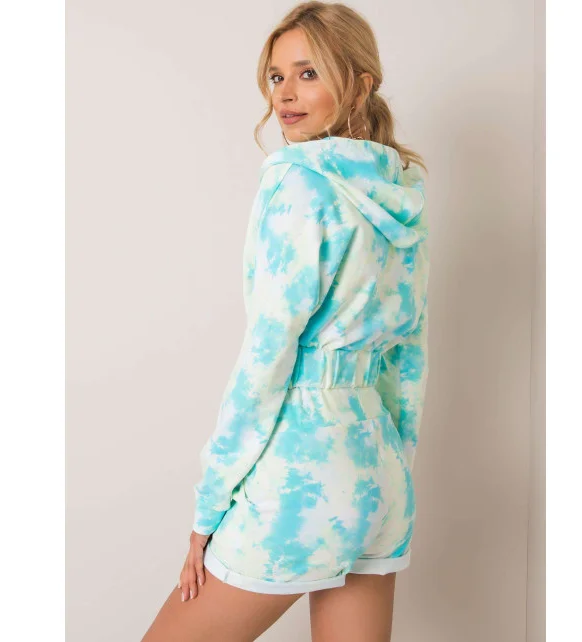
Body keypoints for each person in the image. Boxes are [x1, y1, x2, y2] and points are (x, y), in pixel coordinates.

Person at [142, 2, 430, 640]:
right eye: (277, 77)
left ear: (360, 83)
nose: (285, 95)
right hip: (377, 468)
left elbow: (267, 357)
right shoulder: (402, 193)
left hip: (300, 469)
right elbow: (409, 353)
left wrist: (209, 507)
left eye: (308, 73)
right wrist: (395, 465)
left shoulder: (298, 184)